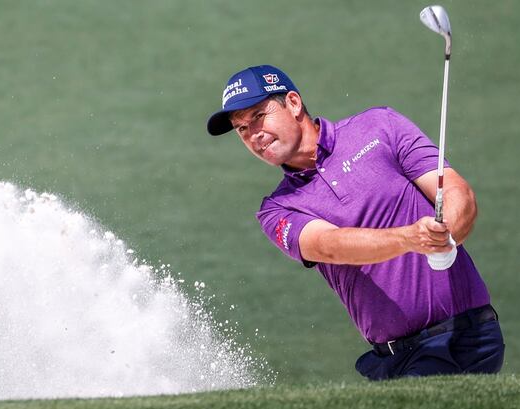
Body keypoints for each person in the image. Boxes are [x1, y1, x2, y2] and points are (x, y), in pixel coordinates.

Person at [206, 65, 504, 380]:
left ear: (293, 103)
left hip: (474, 333)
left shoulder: (380, 127)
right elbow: (329, 246)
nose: (253, 135)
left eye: (257, 116)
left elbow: (457, 193)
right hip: (403, 358)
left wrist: (448, 234)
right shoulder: (278, 209)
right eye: (241, 129)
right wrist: (409, 239)